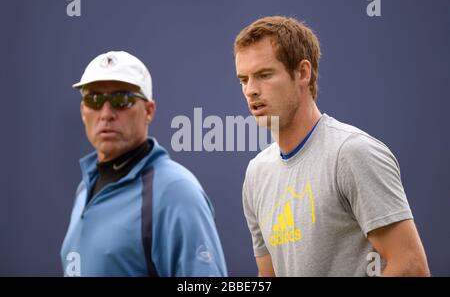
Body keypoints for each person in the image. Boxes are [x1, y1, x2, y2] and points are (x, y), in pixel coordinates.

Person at [234, 16, 430, 276]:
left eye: (264, 75)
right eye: (243, 79)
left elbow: (411, 267)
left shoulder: (351, 153)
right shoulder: (256, 174)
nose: (251, 90)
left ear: (303, 73)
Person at [60, 51, 227, 277]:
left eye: (122, 100)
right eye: (94, 100)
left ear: (149, 111)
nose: (106, 114)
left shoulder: (175, 191)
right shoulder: (85, 188)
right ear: (83, 111)